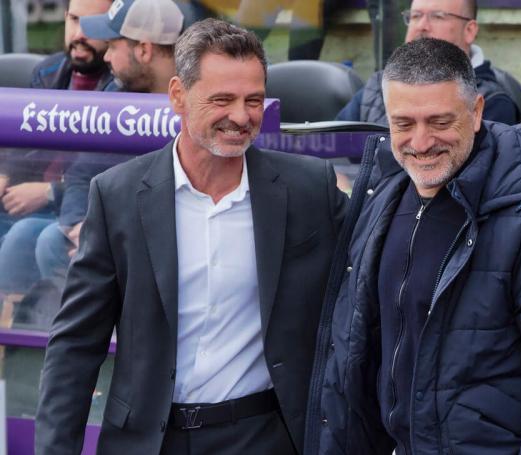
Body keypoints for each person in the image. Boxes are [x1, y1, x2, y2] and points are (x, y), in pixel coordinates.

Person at [35, 18, 346, 455]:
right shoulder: (117, 196)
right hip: (147, 440)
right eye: (222, 99)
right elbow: (76, 345)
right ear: (178, 95)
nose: (241, 116)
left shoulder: (309, 189)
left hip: (268, 437)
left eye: (253, 100)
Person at [304, 38, 521, 455]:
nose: (420, 141)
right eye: (403, 123)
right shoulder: (384, 198)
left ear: (477, 112)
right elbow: (356, 352)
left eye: (439, 121)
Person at [31, 0, 185, 286]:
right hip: (115, 230)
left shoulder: (200, 106)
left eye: (113, 46)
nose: (106, 58)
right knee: (52, 238)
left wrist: (107, 232)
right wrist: (79, 225)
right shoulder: (120, 96)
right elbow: (81, 174)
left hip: (172, 245)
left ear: (144, 50)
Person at [0, 0, 115, 323]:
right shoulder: (47, 72)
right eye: (74, 20)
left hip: (76, 209)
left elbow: (104, 173)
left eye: (93, 26)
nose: (79, 34)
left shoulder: (122, 83)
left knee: (26, 236)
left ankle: (20, 343)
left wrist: (51, 192)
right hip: (28, 202)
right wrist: (5, 174)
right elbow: (26, 151)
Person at [336, 0, 518, 125]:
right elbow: (326, 149)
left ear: (469, 31)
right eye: (415, 16)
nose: (421, 26)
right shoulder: (376, 86)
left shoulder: (493, 102)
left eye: (437, 16)